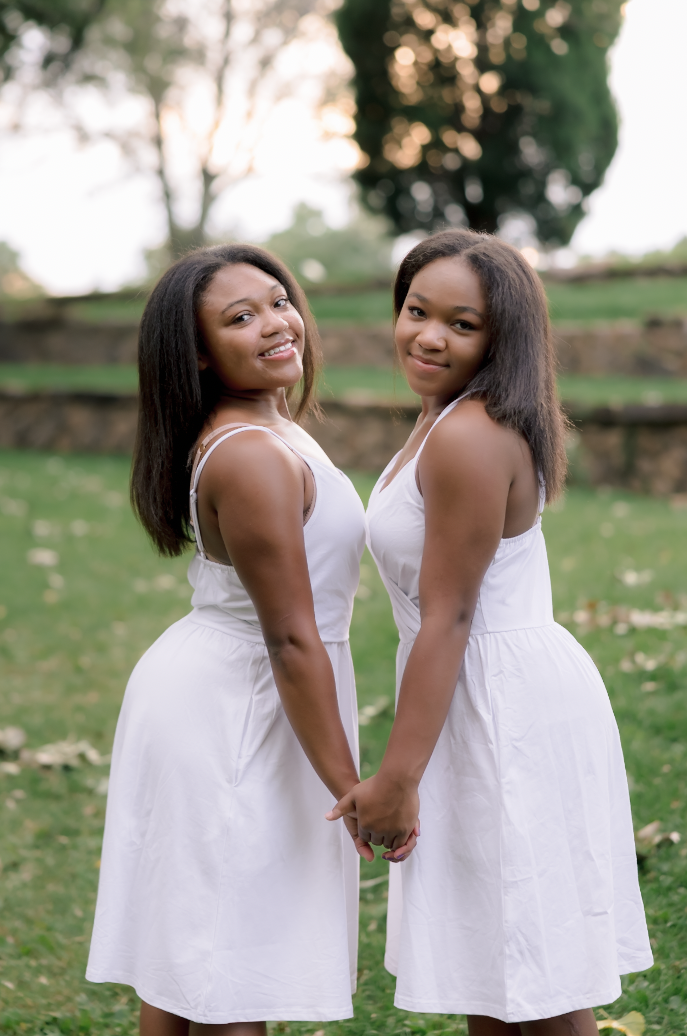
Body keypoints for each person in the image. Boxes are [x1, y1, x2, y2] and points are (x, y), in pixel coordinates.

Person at [328, 230, 653, 1035]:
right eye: (415, 310)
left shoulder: (471, 436)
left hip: (500, 704)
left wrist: (398, 780)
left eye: (461, 324)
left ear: (501, 337)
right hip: (478, 689)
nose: (428, 335)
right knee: (496, 968)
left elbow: (451, 615)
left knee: (529, 968)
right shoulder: (446, 419)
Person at [87, 244, 373, 1036]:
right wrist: (350, 790)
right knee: (225, 974)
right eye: (240, 318)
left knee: (202, 961)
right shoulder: (249, 455)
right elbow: (290, 636)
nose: (278, 324)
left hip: (251, 694)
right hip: (238, 708)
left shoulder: (269, 425)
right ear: (202, 357)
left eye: (279, 300)